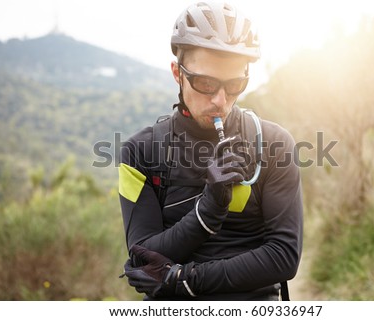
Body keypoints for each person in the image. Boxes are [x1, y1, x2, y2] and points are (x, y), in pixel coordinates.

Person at [118, 1, 303, 300]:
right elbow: (143, 258)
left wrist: (186, 278)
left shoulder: (274, 144)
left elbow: (284, 256)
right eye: (206, 83)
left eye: (235, 84)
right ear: (177, 73)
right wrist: (209, 209)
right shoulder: (140, 152)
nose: (220, 100)